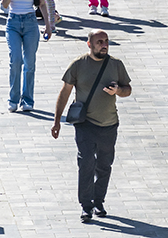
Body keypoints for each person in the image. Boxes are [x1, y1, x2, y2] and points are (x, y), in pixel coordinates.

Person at [51, 29, 132, 223]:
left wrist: (118, 90)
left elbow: (127, 90)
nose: (104, 45)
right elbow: (64, 93)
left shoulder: (116, 65)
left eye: (106, 41)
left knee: (104, 165)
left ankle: (99, 201)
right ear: (89, 44)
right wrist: (57, 122)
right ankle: (86, 206)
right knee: (86, 162)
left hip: (109, 124)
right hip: (85, 123)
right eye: (99, 42)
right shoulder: (78, 65)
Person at [0, 0, 53, 112]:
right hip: (13, 23)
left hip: (30, 23)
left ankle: (27, 100)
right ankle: (13, 99)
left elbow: (42, 4)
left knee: (29, 63)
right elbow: (4, 4)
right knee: (15, 60)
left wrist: (48, 25)